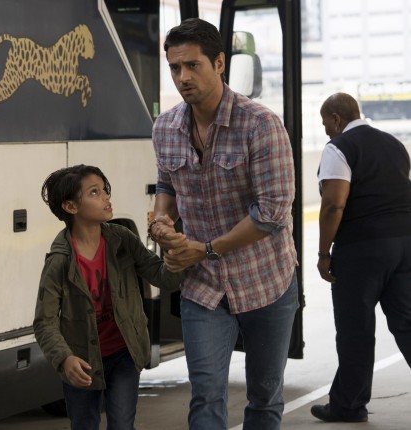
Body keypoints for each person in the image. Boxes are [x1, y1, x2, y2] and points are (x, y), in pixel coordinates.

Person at [148, 18, 299, 430]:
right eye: (175, 67)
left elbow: (272, 212)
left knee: (264, 397)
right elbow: (166, 184)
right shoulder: (165, 128)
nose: (183, 77)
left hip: (266, 280)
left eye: (192, 65)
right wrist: (162, 222)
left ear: (219, 63)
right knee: (206, 395)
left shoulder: (260, 124)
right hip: (204, 287)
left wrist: (207, 248)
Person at [34, 164, 183, 430]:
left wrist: (175, 252)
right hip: (82, 360)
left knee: (122, 426)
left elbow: (163, 278)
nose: (106, 197)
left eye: (105, 190)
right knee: (84, 425)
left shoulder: (122, 239)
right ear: (70, 207)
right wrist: (65, 359)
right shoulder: (59, 261)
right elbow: (44, 322)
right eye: (94, 192)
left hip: (125, 353)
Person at [311, 92, 411, 423]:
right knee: (407, 322)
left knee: (356, 329)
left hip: (362, 249)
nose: (325, 130)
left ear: (336, 118)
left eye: (325, 123)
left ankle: (349, 406)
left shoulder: (339, 147)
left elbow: (334, 204)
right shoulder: (393, 144)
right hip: (405, 245)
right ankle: (346, 400)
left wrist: (324, 253)